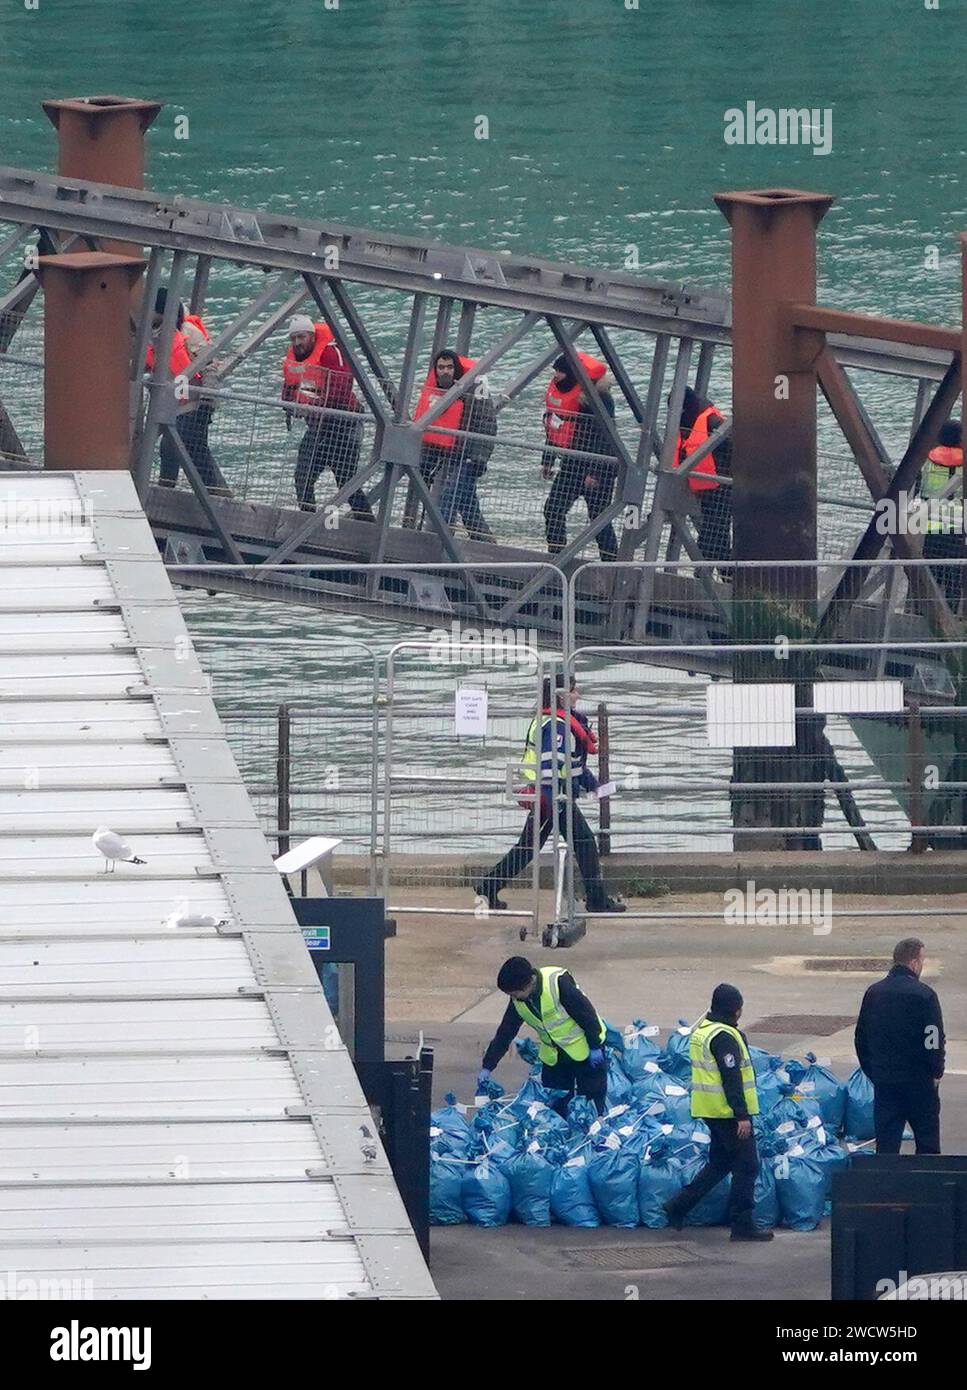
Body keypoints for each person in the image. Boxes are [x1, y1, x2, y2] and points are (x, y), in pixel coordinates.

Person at [473, 674, 625, 914]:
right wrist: (561, 796)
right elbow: (550, 765)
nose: (578, 695)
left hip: (550, 797)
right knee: (584, 843)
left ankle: (488, 886)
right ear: (562, 695)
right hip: (553, 798)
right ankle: (597, 900)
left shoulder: (554, 721)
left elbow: (571, 765)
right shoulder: (556, 725)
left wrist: (594, 786)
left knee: (527, 848)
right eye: (574, 691)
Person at [663, 984, 773, 1242]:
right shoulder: (725, 1036)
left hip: (709, 1109)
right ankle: (742, 1224)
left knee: (720, 1164)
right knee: (747, 1166)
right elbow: (731, 1077)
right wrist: (742, 1115)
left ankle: (678, 1206)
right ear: (736, 1009)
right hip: (727, 1113)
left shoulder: (704, 1031)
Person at [477, 958, 608, 1117]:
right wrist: (488, 1065)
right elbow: (505, 1033)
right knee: (556, 1105)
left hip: (584, 1049)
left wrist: (595, 1045)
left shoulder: (558, 984)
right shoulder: (519, 1000)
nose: (513, 997)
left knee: (590, 1102)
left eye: (514, 993)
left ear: (528, 983)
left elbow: (587, 1015)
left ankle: (592, 1135)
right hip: (554, 1056)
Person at [854, 938, 945, 1154]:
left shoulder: (873, 993)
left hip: (886, 1082)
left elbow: (861, 1039)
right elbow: (933, 1039)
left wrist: (874, 1072)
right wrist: (936, 1071)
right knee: (927, 1143)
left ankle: (886, 1185)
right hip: (919, 1082)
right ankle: (926, 1186)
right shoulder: (925, 995)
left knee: (886, 1145)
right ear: (914, 962)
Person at [281, 314, 374, 520]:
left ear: (312, 336)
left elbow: (342, 388)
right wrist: (289, 406)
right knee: (302, 476)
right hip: (318, 427)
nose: (297, 343)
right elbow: (289, 384)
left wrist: (314, 406)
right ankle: (307, 521)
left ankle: (367, 524)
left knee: (345, 479)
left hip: (344, 424)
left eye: (301, 337)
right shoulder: (294, 359)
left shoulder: (331, 353)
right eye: (293, 338)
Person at [149, 289, 230, 497]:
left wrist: (207, 400)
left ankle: (169, 493)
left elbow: (209, 364)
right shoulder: (152, 336)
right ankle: (215, 493)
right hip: (174, 406)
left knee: (182, 448)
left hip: (195, 404)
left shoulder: (188, 333)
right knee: (188, 451)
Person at [409, 350, 496, 541]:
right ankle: (485, 540)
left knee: (449, 496)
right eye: (441, 367)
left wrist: (479, 458)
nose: (445, 371)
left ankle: (438, 542)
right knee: (466, 502)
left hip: (469, 457)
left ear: (456, 369)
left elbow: (487, 424)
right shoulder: (436, 392)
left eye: (449, 367)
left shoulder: (475, 391)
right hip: (448, 454)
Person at [542, 353, 619, 561]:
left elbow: (604, 439)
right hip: (572, 464)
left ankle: (612, 563)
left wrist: (595, 472)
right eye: (555, 371)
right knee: (552, 509)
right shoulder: (562, 396)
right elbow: (554, 427)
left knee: (598, 520)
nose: (556, 375)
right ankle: (556, 555)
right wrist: (547, 460)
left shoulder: (599, 399)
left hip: (600, 469)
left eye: (560, 371)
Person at [673, 386, 732, 569]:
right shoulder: (685, 423)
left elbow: (733, 450)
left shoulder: (713, 422)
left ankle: (704, 576)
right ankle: (725, 578)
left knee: (712, 535)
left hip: (722, 488)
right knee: (717, 536)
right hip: (703, 489)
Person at [919, 420, 964, 612]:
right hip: (958, 526)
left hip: (931, 525)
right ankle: (951, 613)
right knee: (955, 575)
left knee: (931, 573)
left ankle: (925, 610)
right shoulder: (964, 462)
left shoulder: (928, 460)